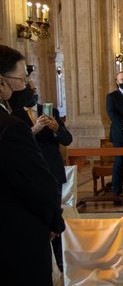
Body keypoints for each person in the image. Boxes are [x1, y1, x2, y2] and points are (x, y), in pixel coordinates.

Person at [0, 45, 65, 286]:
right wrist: (54, 220)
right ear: (1, 83)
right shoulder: (11, 127)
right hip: (16, 240)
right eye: (22, 79)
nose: (27, 85)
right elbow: (37, 186)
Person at [13, 81, 72, 271]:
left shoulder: (49, 110)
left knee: (55, 216)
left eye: (34, 89)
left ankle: (62, 261)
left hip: (52, 169)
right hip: (28, 173)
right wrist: (34, 129)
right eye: (29, 89)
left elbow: (67, 139)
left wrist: (56, 128)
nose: (33, 92)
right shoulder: (13, 114)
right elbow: (15, 143)